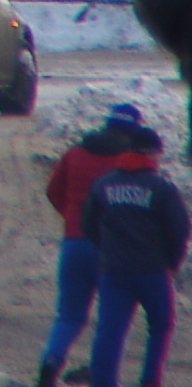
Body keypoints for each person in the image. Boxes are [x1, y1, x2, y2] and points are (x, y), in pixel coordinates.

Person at [52, 109, 160, 387]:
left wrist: (71, 216)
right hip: (110, 249)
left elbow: (53, 190)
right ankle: (100, 371)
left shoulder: (75, 153)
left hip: (73, 242)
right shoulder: (124, 165)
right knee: (111, 319)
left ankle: (51, 361)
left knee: (70, 314)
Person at [85, 123, 192, 387]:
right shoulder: (161, 188)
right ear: (153, 154)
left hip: (114, 271)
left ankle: (103, 381)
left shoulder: (104, 184)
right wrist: (172, 261)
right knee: (160, 327)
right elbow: (180, 229)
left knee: (110, 331)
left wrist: (107, 249)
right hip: (152, 271)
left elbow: (88, 223)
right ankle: (150, 381)